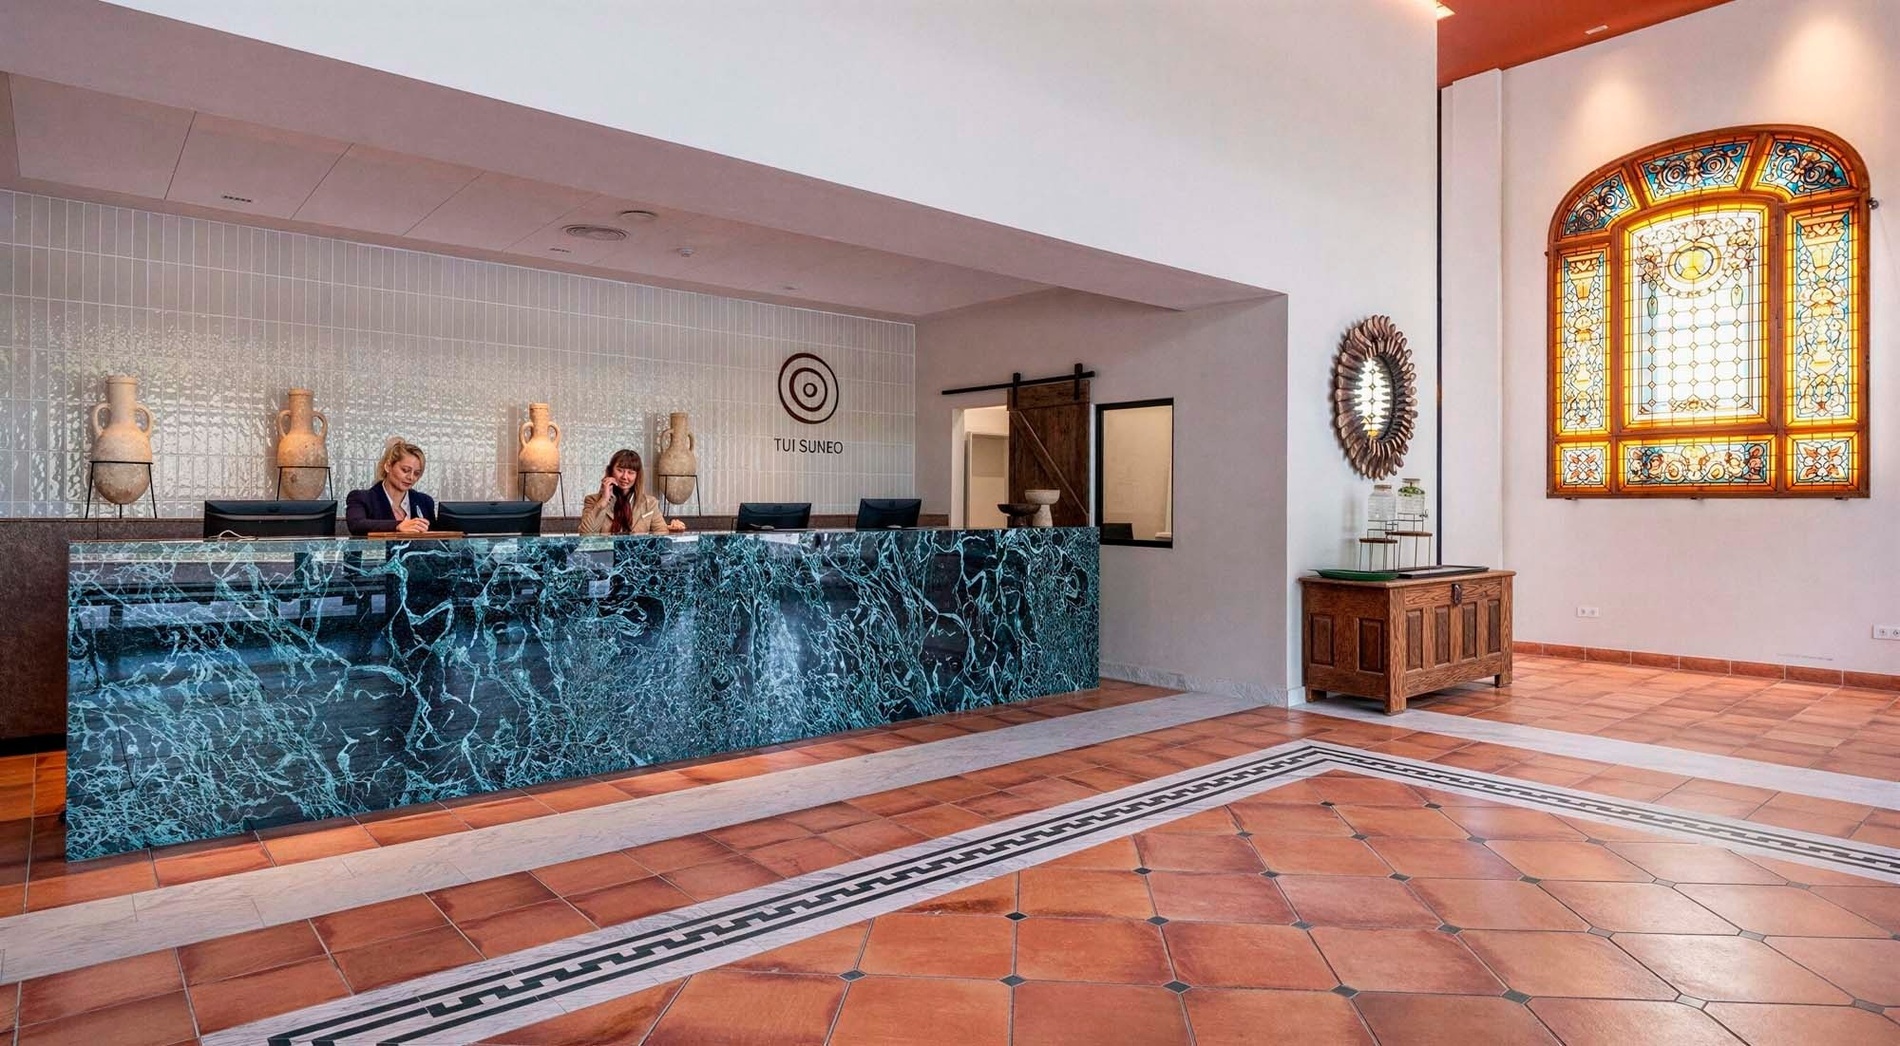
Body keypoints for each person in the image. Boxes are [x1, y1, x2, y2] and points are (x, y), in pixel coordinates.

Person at [579, 449, 686, 535]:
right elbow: (585, 534)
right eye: (620, 470)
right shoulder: (592, 500)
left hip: (639, 555)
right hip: (605, 555)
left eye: (631, 472)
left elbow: (661, 536)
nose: (625, 477)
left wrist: (673, 530)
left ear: (637, 476)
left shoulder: (650, 503)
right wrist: (604, 501)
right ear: (610, 471)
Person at [346, 438, 437, 536]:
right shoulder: (362, 498)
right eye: (405, 470)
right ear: (388, 466)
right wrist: (398, 526)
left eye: (416, 473)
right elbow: (357, 525)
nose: (411, 477)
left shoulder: (425, 502)